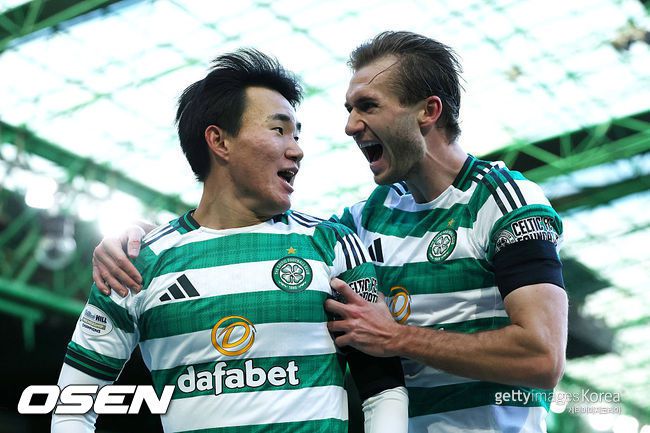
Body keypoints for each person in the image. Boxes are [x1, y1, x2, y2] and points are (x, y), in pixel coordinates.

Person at [92, 32, 568, 433]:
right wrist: (140, 240)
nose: (350, 126)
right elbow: (254, 230)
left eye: (367, 107)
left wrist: (398, 338)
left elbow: (542, 358)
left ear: (428, 111)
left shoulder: (504, 202)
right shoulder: (361, 222)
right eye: (349, 108)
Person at [53, 48, 408, 433]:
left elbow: (383, 389)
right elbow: (72, 406)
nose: (297, 149)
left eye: (296, 134)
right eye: (278, 130)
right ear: (219, 141)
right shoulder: (134, 263)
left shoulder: (334, 245)